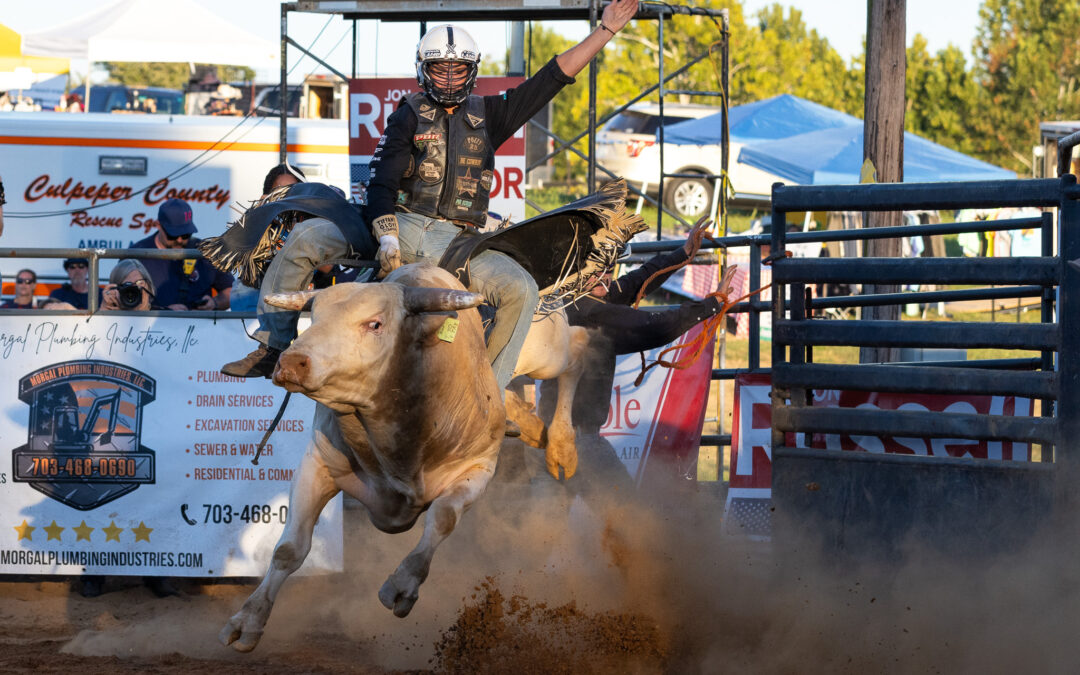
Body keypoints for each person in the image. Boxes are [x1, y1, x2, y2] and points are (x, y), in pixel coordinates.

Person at [221, 0, 640, 384]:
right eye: (441, 68)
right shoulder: (408, 115)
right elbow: (381, 179)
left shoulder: (491, 114)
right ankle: (272, 343)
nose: (450, 77)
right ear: (424, 69)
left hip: (457, 243)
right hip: (397, 228)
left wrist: (604, 30)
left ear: (472, 71)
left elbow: (551, 78)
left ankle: (487, 392)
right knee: (304, 238)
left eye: (459, 69)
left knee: (521, 289)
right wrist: (385, 232)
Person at [538, 221, 724, 440]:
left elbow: (640, 279)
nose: (603, 276)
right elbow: (653, 326)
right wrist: (711, 305)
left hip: (569, 430)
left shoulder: (583, 296)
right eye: (594, 269)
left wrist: (684, 253)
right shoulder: (589, 310)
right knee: (603, 473)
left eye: (607, 268)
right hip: (568, 435)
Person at [229, 164, 308, 312]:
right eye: (279, 191)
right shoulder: (258, 214)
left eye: (291, 190)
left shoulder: (306, 218)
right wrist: (261, 211)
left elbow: (326, 267)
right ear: (267, 194)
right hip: (253, 292)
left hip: (292, 295)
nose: (285, 196)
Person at [130, 199, 233, 311]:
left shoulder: (205, 251)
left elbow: (231, 291)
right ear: (158, 225)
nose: (179, 240)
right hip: (152, 326)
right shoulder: (138, 253)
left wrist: (214, 303)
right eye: (172, 235)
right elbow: (123, 299)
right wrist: (164, 311)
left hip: (199, 326)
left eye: (185, 235)